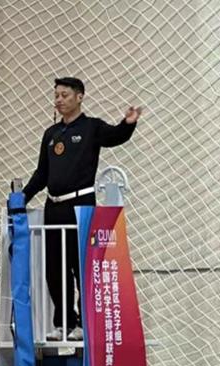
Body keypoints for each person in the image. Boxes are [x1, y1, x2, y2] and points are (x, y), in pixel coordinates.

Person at [23, 77, 141, 341]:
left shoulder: (91, 127)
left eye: (65, 95)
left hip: (81, 206)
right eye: (56, 95)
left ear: (79, 97)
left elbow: (115, 136)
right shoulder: (51, 134)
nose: (59, 100)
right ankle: (63, 322)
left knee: (81, 266)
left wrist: (128, 123)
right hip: (54, 207)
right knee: (55, 268)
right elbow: (42, 173)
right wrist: (22, 197)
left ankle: (85, 324)